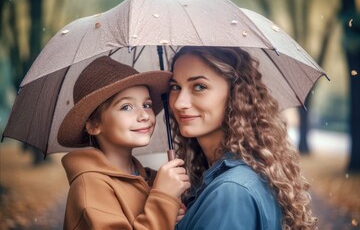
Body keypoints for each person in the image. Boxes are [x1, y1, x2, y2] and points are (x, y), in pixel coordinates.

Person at [168, 46, 317, 229]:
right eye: (175, 87)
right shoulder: (245, 172)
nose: (179, 102)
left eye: (199, 86)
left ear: (235, 93)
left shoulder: (230, 192)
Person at [57, 56, 190, 230]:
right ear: (93, 125)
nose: (144, 115)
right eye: (126, 107)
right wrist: (163, 200)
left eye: (147, 105)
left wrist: (170, 211)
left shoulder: (152, 179)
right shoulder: (91, 186)